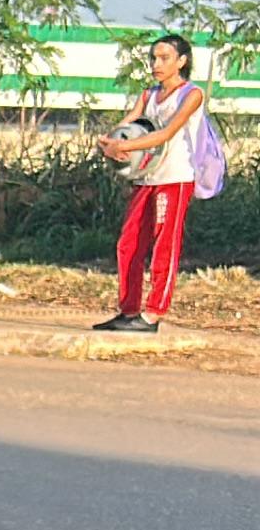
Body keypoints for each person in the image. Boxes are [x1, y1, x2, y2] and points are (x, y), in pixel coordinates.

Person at [99, 33, 209, 335]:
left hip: (175, 178)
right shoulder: (148, 95)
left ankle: (153, 313)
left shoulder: (191, 94)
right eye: (154, 58)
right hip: (147, 176)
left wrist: (126, 147)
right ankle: (129, 309)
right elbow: (127, 124)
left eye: (164, 58)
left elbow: (166, 134)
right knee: (129, 242)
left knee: (165, 244)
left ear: (181, 61)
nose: (156, 64)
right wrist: (111, 142)